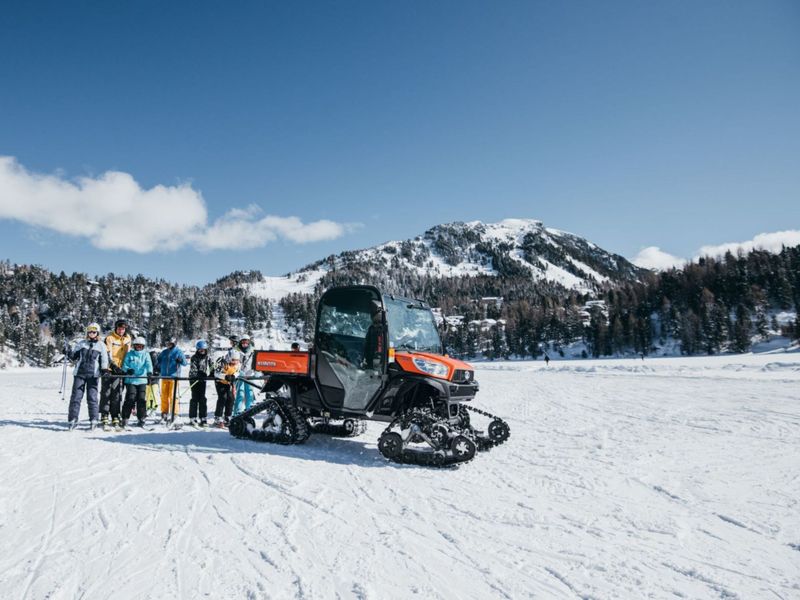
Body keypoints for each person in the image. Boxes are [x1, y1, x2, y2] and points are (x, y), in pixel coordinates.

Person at [66, 323, 110, 430]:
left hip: (93, 375)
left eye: (94, 332)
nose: (91, 333)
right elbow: (74, 357)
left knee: (92, 398)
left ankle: (94, 419)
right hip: (80, 374)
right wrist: (68, 352)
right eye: (90, 331)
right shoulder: (81, 344)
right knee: (76, 397)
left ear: (97, 333)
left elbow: (104, 359)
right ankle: (73, 419)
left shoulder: (101, 345)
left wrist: (104, 369)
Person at [100, 318, 131, 429]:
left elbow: (129, 354)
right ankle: (104, 414)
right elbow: (107, 354)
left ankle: (115, 415)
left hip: (121, 370)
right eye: (119, 328)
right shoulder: (110, 338)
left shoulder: (128, 338)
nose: (121, 330)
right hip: (109, 369)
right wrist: (113, 366)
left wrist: (127, 368)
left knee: (117, 393)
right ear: (116, 328)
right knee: (106, 392)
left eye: (123, 328)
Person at [120, 337, 154, 428]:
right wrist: (128, 370)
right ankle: (125, 418)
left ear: (143, 346)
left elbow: (148, 364)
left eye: (140, 346)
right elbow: (124, 365)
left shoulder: (146, 354)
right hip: (131, 380)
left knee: (141, 399)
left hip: (142, 379)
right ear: (134, 346)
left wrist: (149, 372)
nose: (138, 347)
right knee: (130, 398)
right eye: (136, 346)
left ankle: (141, 418)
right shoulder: (129, 354)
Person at [158, 337, 187, 422]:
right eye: (167, 344)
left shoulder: (178, 352)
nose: (168, 345)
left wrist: (180, 360)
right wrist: (157, 368)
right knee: (164, 396)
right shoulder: (164, 352)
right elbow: (158, 361)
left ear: (174, 344)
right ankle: (164, 412)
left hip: (174, 377)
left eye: (170, 344)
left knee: (173, 396)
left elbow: (185, 363)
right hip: (164, 377)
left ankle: (175, 413)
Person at [213, 350, 241, 427]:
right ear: (229, 358)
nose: (235, 362)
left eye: (236, 360)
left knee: (231, 398)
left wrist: (234, 376)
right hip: (220, 382)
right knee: (223, 397)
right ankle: (218, 417)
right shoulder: (222, 362)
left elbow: (238, 371)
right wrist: (225, 376)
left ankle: (227, 416)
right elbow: (216, 373)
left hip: (229, 383)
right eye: (233, 360)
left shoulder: (237, 364)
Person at [188, 340, 213, 427]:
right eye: (200, 350)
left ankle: (203, 417)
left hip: (202, 380)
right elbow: (193, 369)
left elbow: (212, 365)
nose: (202, 352)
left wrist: (212, 373)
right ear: (197, 350)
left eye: (203, 350)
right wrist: (198, 374)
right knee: (195, 398)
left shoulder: (208, 357)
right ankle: (193, 417)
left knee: (202, 398)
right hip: (194, 379)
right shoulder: (194, 357)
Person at [232, 335, 255, 415]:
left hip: (249, 374)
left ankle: (249, 411)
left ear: (249, 342)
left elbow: (254, 362)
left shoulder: (252, 351)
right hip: (240, 374)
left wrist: (253, 371)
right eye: (243, 341)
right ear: (240, 342)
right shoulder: (236, 350)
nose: (244, 343)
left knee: (249, 393)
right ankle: (237, 412)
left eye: (246, 342)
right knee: (240, 392)